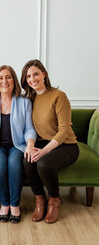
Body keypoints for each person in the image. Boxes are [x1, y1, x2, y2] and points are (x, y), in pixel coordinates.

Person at [21, 59, 79, 223]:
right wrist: (31, 147)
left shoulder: (58, 96)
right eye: (29, 76)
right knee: (27, 161)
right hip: (42, 143)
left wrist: (44, 151)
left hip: (66, 145)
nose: (33, 79)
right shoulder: (30, 99)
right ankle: (40, 200)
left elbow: (64, 130)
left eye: (36, 74)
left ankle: (54, 200)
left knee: (43, 163)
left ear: (44, 74)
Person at [0, 65, 36, 223]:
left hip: (18, 145)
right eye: (1, 78)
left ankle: (15, 204)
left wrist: (30, 145)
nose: (5, 81)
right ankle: (4, 203)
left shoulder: (24, 102)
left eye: (8, 77)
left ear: (14, 80)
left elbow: (29, 128)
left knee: (15, 163)